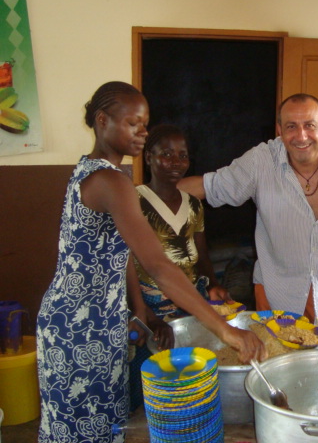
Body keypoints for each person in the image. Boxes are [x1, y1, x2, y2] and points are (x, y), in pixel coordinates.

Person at [36, 82, 266, 443]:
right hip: (82, 329)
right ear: (102, 121)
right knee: (87, 431)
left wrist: (137, 311)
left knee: (99, 428)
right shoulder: (110, 180)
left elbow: (121, 250)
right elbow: (158, 266)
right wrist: (226, 331)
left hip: (86, 320)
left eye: (145, 125)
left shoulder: (91, 170)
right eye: (133, 124)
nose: (142, 133)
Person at [178, 93, 318, 333]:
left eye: (309, 125)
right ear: (279, 130)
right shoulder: (261, 161)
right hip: (277, 300)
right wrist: (148, 195)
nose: (301, 136)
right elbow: (211, 186)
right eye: (291, 126)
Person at [127, 123, 233, 411]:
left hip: (189, 300)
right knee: (152, 382)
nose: (176, 162)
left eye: (182, 156)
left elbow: (202, 254)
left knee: (190, 377)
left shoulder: (193, 205)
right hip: (148, 303)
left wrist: (213, 284)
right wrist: (148, 317)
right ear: (148, 157)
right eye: (166, 154)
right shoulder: (134, 201)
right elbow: (125, 265)